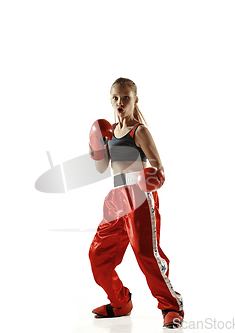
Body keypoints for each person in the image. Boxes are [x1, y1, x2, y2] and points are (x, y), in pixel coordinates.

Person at [88, 77, 184, 328]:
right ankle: (120, 302)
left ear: (135, 100)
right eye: (116, 98)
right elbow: (101, 169)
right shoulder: (109, 131)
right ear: (111, 101)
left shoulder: (139, 131)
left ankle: (171, 307)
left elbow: (159, 168)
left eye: (126, 98)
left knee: (145, 253)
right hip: (115, 198)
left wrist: (153, 181)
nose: (120, 102)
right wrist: (96, 147)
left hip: (139, 195)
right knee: (98, 254)